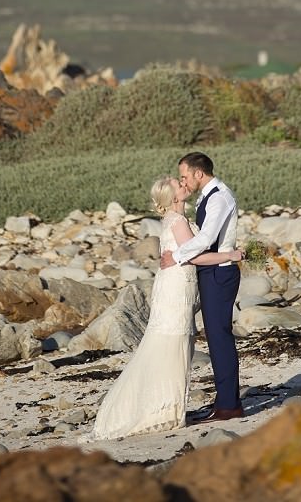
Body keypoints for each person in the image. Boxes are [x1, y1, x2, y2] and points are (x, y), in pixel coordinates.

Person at [91, 174, 241, 440]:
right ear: (172, 197)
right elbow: (194, 255)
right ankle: (163, 412)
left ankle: (168, 409)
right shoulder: (178, 220)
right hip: (175, 290)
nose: (183, 184)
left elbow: (184, 253)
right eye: (178, 183)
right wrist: (230, 255)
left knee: (172, 342)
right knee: (171, 344)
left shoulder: (177, 219)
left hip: (176, 285)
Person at [161, 151, 243, 422]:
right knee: (216, 338)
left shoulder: (219, 197)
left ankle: (229, 406)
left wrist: (178, 256)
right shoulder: (208, 196)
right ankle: (225, 401)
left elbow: (207, 237)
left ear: (199, 173)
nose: (183, 181)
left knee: (220, 339)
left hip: (220, 273)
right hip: (211, 272)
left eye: (185, 175)